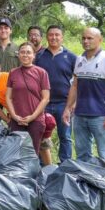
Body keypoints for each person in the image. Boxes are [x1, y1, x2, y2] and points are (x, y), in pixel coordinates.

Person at [62, 27, 105, 166]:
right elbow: (75, 86)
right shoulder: (79, 59)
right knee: (82, 155)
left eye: (90, 38)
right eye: (83, 38)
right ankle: (87, 185)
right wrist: (67, 108)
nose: (86, 41)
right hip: (80, 115)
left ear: (100, 40)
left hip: (100, 116)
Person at [35, 25, 78, 163]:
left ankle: (65, 164)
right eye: (51, 35)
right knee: (41, 134)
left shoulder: (71, 57)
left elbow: (77, 83)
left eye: (57, 35)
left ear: (62, 37)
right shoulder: (39, 56)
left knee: (65, 136)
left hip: (64, 104)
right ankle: (43, 165)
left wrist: (73, 103)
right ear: (46, 37)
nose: (54, 37)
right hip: (43, 103)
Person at [6, 42, 50, 154]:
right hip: (17, 120)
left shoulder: (41, 72)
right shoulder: (13, 73)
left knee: (32, 152)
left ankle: (34, 172)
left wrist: (32, 117)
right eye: (22, 52)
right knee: (16, 152)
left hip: (35, 120)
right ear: (18, 54)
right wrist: (14, 116)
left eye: (28, 52)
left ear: (34, 55)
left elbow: (45, 98)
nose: (25, 55)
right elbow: (8, 97)